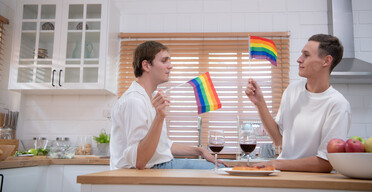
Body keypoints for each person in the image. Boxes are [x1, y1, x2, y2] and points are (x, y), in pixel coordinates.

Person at [110, 41, 226, 170]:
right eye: (164, 61)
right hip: (148, 170)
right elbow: (140, 161)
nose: (170, 66)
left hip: (160, 165)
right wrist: (159, 117)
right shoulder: (134, 101)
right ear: (146, 65)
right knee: (218, 170)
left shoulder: (150, 97)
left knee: (219, 167)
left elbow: (161, 146)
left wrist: (199, 151)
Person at [245, 34, 351, 173]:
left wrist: (277, 164)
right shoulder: (292, 90)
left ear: (326, 61)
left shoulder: (338, 105)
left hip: (312, 181)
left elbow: (326, 163)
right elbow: (279, 140)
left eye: (306, 55)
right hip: (284, 176)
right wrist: (260, 103)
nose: (299, 59)